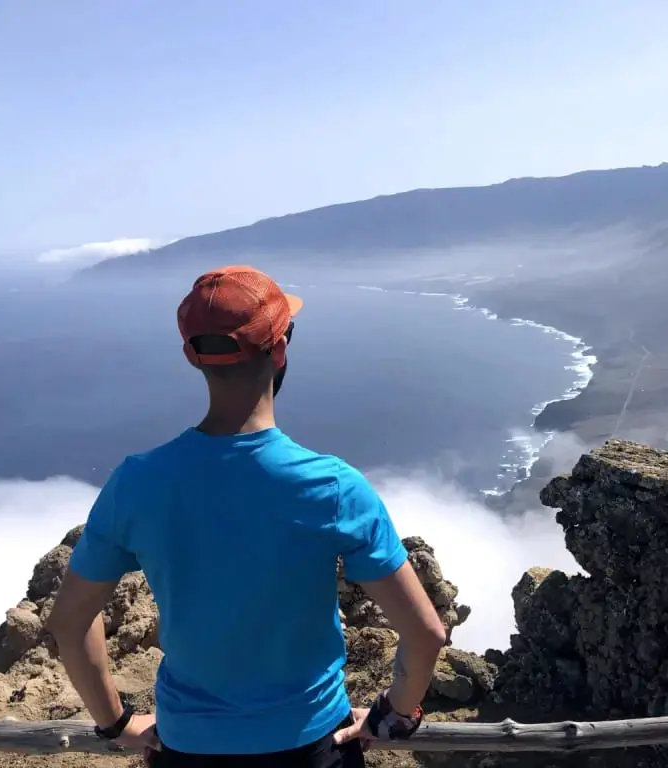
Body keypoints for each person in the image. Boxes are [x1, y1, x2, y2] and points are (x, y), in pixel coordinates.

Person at [45, 265, 447, 767]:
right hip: (311, 745)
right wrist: (395, 715)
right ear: (279, 350)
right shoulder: (334, 487)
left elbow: (69, 621)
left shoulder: (137, 482)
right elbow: (425, 633)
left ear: (193, 357)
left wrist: (116, 724)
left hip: (188, 747)